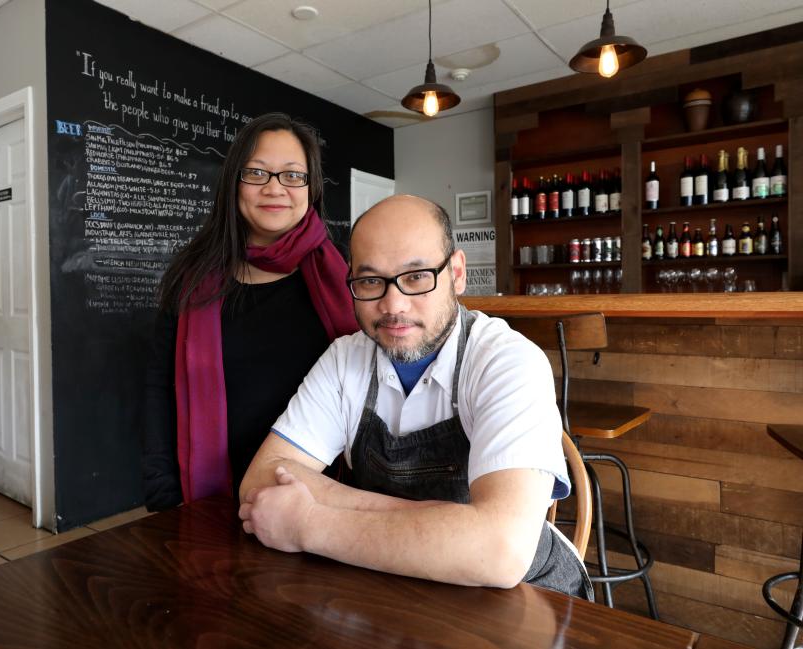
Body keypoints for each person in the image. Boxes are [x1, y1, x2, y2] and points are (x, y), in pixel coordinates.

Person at [238, 194, 592, 598]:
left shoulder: (507, 362)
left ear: (456, 273)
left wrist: (310, 523)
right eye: (371, 281)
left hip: (526, 599)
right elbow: (260, 482)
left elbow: (500, 550)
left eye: (417, 276)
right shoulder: (345, 359)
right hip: (394, 589)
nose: (393, 305)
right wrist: (457, 527)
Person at [142, 113, 357, 510]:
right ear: (234, 183)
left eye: (293, 175)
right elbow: (160, 388)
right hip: (212, 497)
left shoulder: (346, 274)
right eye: (257, 172)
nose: (275, 188)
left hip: (324, 498)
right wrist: (164, 493)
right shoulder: (191, 279)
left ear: (311, 189)